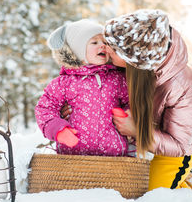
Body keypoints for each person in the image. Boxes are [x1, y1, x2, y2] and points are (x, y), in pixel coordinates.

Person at [103, 9, 192, 191]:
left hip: (175, 151)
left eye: (114, 48)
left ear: (135, 60)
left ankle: (185, 180)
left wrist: (138, 131)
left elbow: (179, 145)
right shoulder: (126, 68)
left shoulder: (182, 85)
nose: (106, 49)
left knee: (153, 194)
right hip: (142, 139)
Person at [35, 19, 130, 156]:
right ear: (78, 51)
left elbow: (131, 102)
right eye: (94, 42)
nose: (102, 46)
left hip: (113, 155)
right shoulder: (65, 82)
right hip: (73, 155)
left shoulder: (117, 79)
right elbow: (45, 108)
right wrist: (58, 130)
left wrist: (126, 115)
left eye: (105, 42)